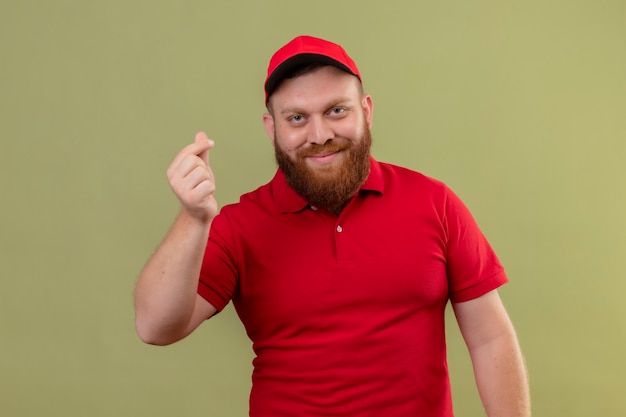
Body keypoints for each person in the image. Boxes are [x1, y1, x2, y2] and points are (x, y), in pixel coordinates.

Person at [134, 35, 530, 417]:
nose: (320, 135)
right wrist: (193, 217)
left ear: (367, 110)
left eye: (336, 111)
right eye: (297, 118)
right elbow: (155, 327)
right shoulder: (239, 226)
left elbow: (489, 338)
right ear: (273, 129)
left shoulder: (434, 203)